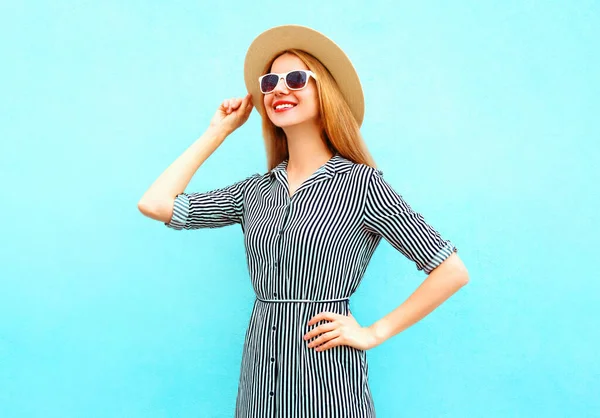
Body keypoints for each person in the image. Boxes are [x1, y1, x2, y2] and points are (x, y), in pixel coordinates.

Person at [138, 24, 469, 418]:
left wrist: (372, 333)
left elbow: (451, 270)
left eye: (296, 78)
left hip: (326, 383)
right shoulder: (254, 192)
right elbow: (156, 204)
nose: (279, 88)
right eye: (270, 81)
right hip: (259, 380)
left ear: (324, 91)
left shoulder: (361, 184)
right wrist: (219, 131)